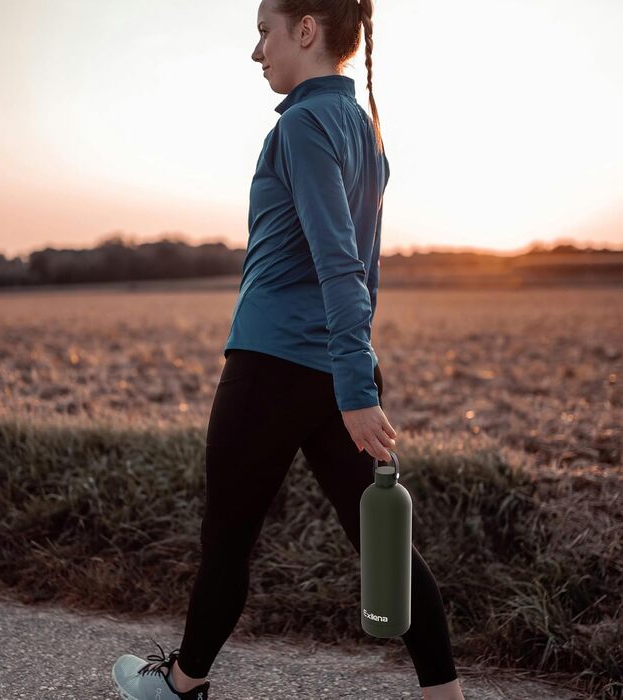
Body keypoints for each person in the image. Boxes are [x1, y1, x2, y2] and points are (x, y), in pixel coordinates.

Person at [112, 1, 465, 699]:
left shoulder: (303, 124)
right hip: (335, 367)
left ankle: (182, 686)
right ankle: (445, 695)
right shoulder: (363, 128)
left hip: (272, 369)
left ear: (306, 30)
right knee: (383, 542)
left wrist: (358, 393)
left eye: (263, 33)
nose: (257, 52)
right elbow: (367, 268)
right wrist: (355, 371)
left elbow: (340, 261)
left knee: (228, 539)